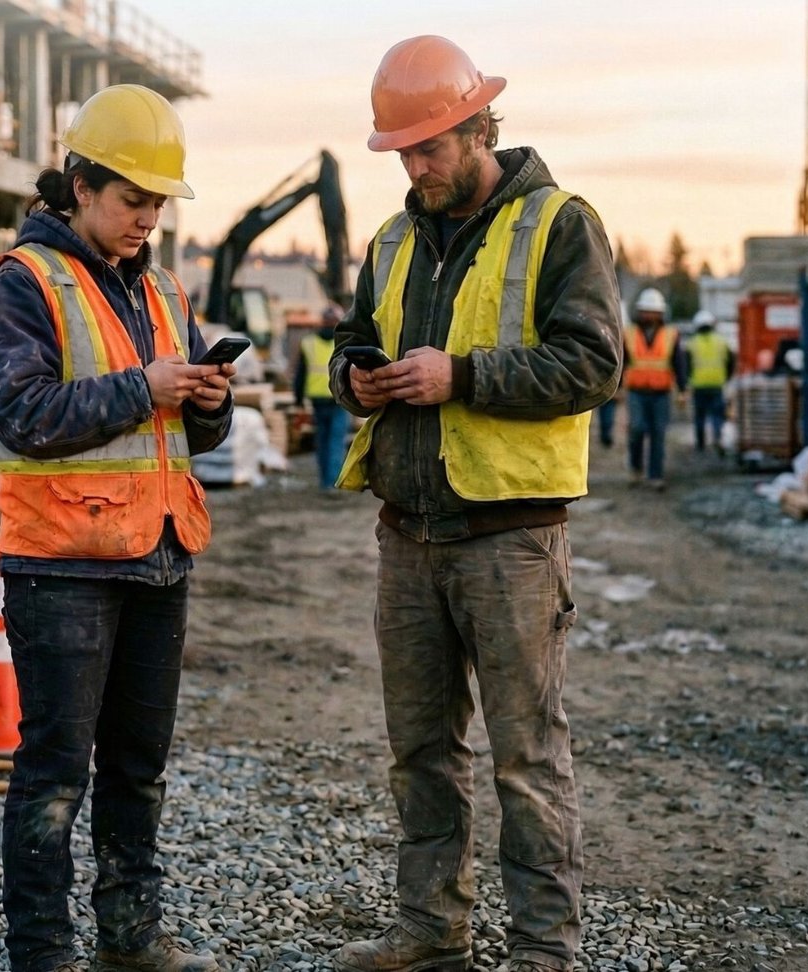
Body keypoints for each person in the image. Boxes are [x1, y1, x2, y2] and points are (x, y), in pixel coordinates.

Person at [328, 35, 623, 972]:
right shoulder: (391, 239)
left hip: (510, 541)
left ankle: (543, 950)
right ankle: (430, 930)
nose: (415, 169)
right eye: (403, 153)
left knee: (525, 758)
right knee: (419, 750)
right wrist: (355, 382)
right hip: (406, 537)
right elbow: (349, 342)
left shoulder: (557, 224)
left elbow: (593, 362)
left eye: (429, 149)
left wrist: (461, 374)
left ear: (474, 127)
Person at [0, 84, 232, 972]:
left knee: (137, 768)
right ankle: (41, 954)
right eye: (132, 200)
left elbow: (190, 431)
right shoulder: (23, 284)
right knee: (54, 774)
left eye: (158, 203)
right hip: (64, 567)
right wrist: (144, 389)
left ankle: (131, 938)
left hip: (159, 554)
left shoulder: (159, 287)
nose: (147, 220)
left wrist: (206, 401)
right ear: (79, 187)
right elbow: (20, 413)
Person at [623, 287, 686, 490]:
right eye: (646, 311)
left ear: (660, 313)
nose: (649, 315)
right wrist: (614, 388)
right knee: (637, 429)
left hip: (661, 392)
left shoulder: (670, 334)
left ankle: (655, 475)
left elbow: (679, 363)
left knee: (658, 434)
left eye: (653, 311)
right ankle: (635, 469)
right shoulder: (629, 333)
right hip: (636, 391)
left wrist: (683, 389)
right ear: (640, 312)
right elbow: (621, 362)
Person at [294, 303, 352, 489]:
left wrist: (298, 399)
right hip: (339, 397)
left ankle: (324, 481)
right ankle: (332, 481)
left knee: (322, 440)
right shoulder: (345, 342)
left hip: (317, 399)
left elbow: (300, 374)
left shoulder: (308, 342)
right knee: (336, 441)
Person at [685, 309, 734, 455]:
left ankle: (700, 444)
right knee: (717, 415)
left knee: (699, 416)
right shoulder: (722, 342)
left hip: (698, 385)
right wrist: (726, 377)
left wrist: (688, 381)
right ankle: (718, 437)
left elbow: (687, 365)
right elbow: (730, 362)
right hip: (717, 384)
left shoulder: (692, 343)